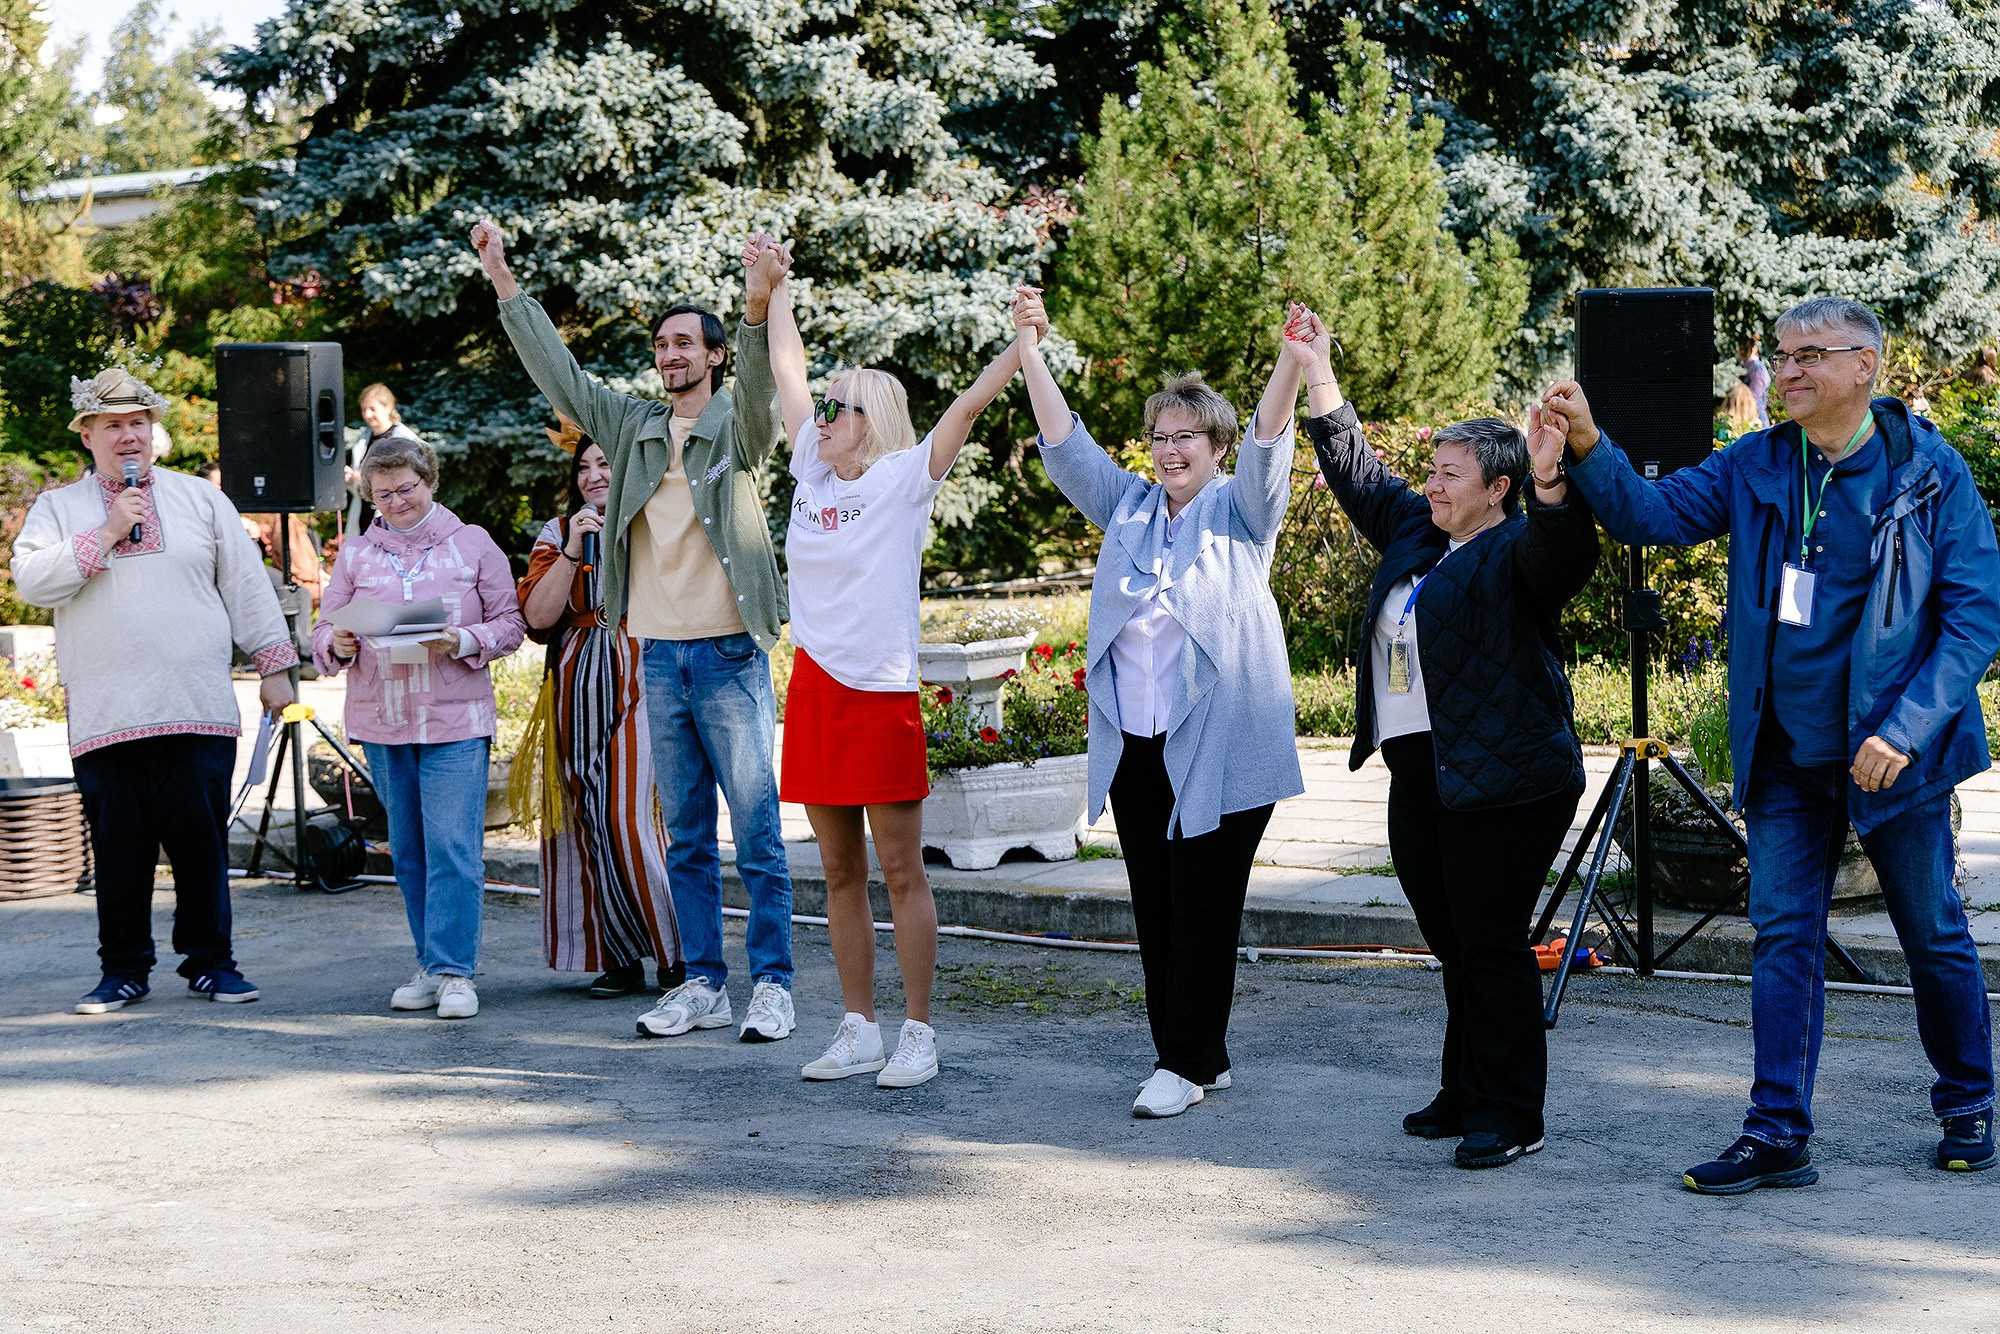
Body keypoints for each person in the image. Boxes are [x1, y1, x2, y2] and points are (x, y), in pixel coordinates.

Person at [1544, 295, 2000, 1190]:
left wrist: (1904, 731)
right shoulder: (1760, 461)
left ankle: (1969, 1101)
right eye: (1782, 356)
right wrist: (1591, 446)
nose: (1787, 371)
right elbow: (1654, 515)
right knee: (1783, 936)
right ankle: (1777, 1129)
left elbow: (1975, 620)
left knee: (1933, 933)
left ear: (1864, 366)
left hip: (1894, 757)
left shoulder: (1929, 471)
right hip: (1786, 754)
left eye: (1810, 356)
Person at [474, 220, 798, 1044]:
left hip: (728, 654)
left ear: (715, 355)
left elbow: (763, 389)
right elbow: (563, 375)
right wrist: (504, 279)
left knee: (756, 835)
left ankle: (774, 984)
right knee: (686, 835)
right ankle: (702, 983)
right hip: (657, 655)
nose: (671, 353)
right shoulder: (632, 427)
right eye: (663, 343)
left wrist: (760, 300)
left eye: (686, 342)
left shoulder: (736, 428)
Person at [1300, 309, 1600, 1169]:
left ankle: (1512, 1112)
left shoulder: (1515, 548)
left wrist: (1552, 482)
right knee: (1449, 936)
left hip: (1510, 776)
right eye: (1430, 471)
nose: (1432, 486)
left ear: (1498, 486)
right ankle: (1466, 1087)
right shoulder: (1415, 530)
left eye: (1450, 475)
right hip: (1421, 769)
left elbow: (1565, 557)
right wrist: (1320, 367)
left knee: (1491, 937)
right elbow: (1355, 469)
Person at [1010, 292, 1304, 1119]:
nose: (1172, 450)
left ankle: (1179, 1064)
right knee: (1156, 904)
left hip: (1220, 748)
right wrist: (1031, 348)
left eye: (1189, 437)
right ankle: (1197, 1050)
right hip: (1138, 749)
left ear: (1215, 447)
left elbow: (1270, 445)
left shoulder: (1242, 513)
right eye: (1161, 437)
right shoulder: (1129, 508)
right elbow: (1068, 450)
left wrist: (1289, 358)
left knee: (1203, 905)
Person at [755, 236, 1031, 1089]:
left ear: (872, 423)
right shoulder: (812, 470)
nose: (823, 418)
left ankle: (918, 1031)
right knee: (836, 871)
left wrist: (1023, 343)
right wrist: (777, 291)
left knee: (902, 869)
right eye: (826, 409)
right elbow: (789, 373)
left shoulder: (905, 476)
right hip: (816, 690)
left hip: (879, 692)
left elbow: (970, 407)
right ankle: (857, 1028)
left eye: (841, 410)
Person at [13, 367, 297, 1013]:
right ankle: (123, 971)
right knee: (120, 852)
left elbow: (246, 585)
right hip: (108, 713)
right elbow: (32, 583)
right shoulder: (59, 508)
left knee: (199, 847)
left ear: (153, 430)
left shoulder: (201, 499)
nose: (129, 436)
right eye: (112, 425)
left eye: (138, 422)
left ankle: (212, 964)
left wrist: (274, 664)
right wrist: (108, 531)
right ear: (87, 436)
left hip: (194, 703)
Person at [312, 435, 525, 1020]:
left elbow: (512, 622)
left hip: (455, 718)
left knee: (453, 847)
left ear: (429, 481)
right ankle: (430, 964)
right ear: (370, 495)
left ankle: (456, 972)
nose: (398, 501)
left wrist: (465, 638)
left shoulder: (473, 544)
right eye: (384, 494)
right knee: (408, 850)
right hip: (383, 721)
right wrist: (339, 640)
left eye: (407, 488)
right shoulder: (356, 554)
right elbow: (324, 630)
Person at [517, 419, 681, 999]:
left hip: (644, 665)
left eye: (604, 466)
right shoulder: (558, 530)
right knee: (585, 818)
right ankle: (617, 957)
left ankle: (676, 954)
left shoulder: (655, 518)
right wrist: (569, 549)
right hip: (574, 675)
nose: (592, 477)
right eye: (583, 468)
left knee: (628, 815)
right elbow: (538, 617)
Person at [1740, 335, 1772, 429]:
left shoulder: (1757, 369)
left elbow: (1754, 397)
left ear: (1754, 348)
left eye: (1746, 347)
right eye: (1741, 348)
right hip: (1744, 415)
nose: (1743, 351)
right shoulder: (1742, 366)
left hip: (1757, 418)